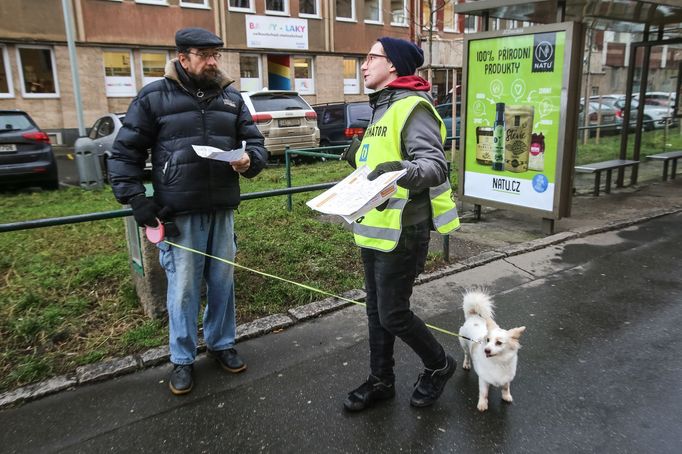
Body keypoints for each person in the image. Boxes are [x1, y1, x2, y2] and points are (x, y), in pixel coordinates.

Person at [108, 27, 267, 395]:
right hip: (179, 213)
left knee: (223, 283)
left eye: (216, 55)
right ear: (182, 57)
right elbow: (125, 153)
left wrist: (249, 160)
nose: (213, 62)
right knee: (182, 289)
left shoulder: (230, 97)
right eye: (205, 55)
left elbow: (256, 143)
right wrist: (135, 198)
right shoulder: (153, 97)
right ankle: (181, 359)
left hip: (222, 209)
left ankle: (221, 343)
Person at [340, 37, 460, 411]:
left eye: (370, 57)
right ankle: (381, 381)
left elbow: (434, 166)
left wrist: (399, 170)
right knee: (375, 310)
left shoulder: (412, 106)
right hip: (375, 226)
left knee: (393, 312)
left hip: (405, 229)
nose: (363, 65)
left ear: (392, 65)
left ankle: (439, 365)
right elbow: (381, 160)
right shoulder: (381, 106)